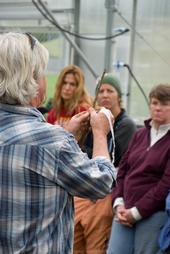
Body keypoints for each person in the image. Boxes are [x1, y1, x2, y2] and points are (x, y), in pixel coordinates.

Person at [0, 32, 115, 254]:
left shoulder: (53, 139)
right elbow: (100, 183)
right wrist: (101, 134)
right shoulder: (53, 141)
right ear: (29, 79)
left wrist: (63, 135)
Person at [73, 73, 137, 254]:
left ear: (119, 96)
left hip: (106, 192)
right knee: (74, 243)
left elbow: (116, 162)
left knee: (96, 244)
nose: (105, 95)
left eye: (110, 90)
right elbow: (82, 154)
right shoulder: (95, 121)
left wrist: (99, 133)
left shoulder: (126, 125)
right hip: (84, 190)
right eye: (101, 91)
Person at [107, 83, 170, 254]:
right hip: (124, 209)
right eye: (155, 103)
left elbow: (165, 185)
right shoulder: (140, 134)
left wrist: (136, 212)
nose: (158, 108)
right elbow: (122, 171)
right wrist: (118, 202)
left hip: (153, 214)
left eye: (165, 104)